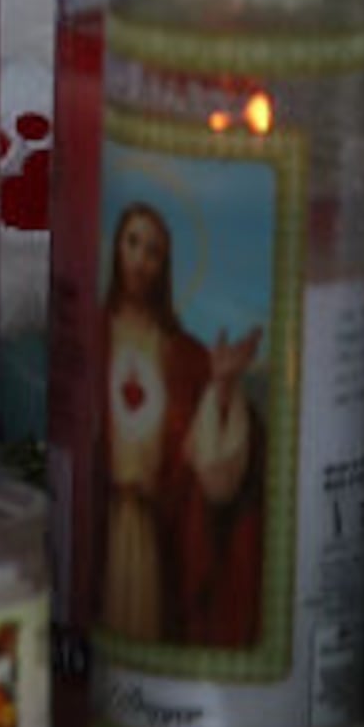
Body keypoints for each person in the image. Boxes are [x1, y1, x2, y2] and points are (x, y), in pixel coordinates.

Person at [95, 201, 265, 649]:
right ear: (116, 248)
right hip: (103, 523)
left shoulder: (182, 353)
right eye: (132, 243)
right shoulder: (94, 332)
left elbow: (204, 458)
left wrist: (223, 386)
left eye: (153, 251)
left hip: (155, 528)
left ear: (164, 266)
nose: (139, 260)